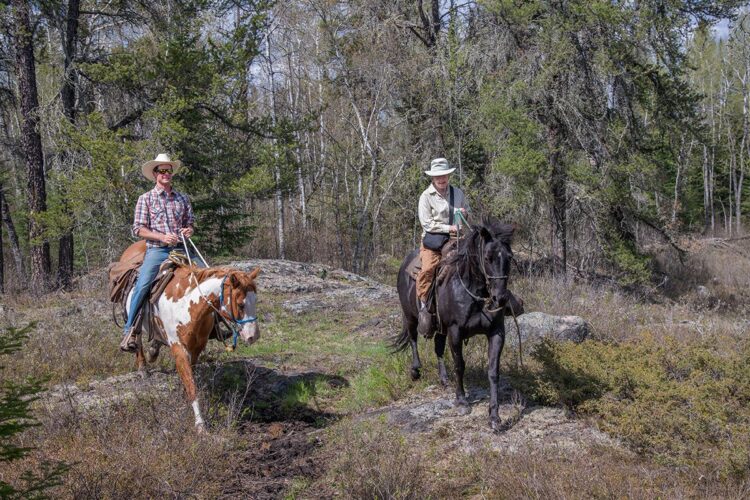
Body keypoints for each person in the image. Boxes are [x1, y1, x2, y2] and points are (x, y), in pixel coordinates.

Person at [120, 153, 197, 352]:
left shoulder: (182, 198)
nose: (166, 174)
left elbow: (190, 222)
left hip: (181, 248)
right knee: (143, 284)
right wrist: (162, 237)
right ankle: (130, 330)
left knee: (205, 276)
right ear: (155, 174)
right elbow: (138, 228)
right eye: (162, 171)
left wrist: (189, 230)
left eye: (168, 170)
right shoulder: (145, 199)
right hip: (157, 250)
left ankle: (214, 324)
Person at [416, 157, 469, 337]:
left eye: (444, 175)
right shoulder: (426, 196)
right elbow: (427, 224)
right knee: (429, 268)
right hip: (433, 241)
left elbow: (465, 213)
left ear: (448, 175)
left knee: (475, 262)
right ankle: (424, 304)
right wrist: (449, 227)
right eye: (438, 176)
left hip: (455, 239)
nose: (441, 179)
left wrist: (464, 214)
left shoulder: (458, 193)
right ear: (433, 178)